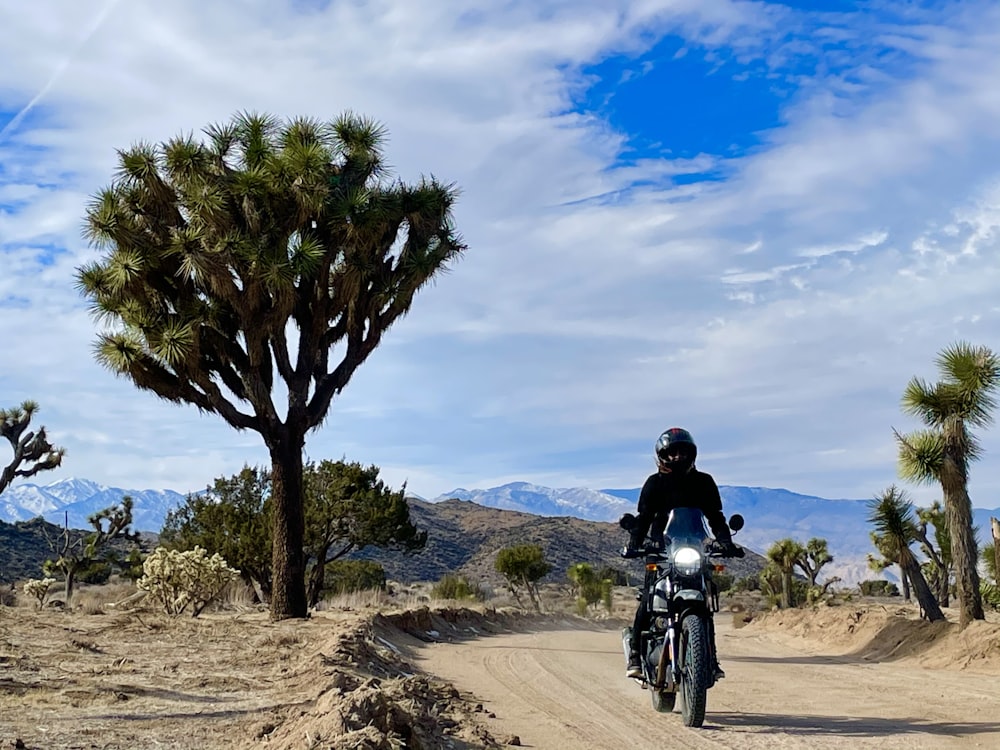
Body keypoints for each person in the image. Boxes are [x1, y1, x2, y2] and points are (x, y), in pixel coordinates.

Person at [623, 427, 738, 680]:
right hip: (662, 548)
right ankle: (635, 652)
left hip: (695, 547)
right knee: (650, 596)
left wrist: (725, 542)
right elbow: (644, 518)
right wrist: (635, 543)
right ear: (663, 456)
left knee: (705, 602)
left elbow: (715, 517)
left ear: (691, 453)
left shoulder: (703, 482)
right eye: (672, 452)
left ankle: (710, 656)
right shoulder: (655, 483)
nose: (678, 457)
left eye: (682, 452)